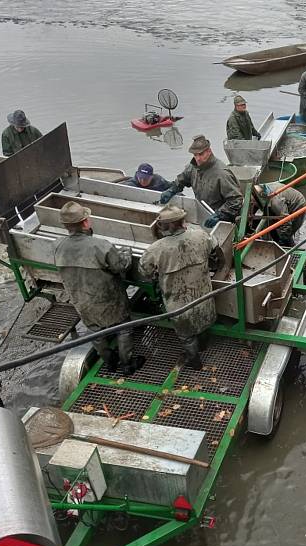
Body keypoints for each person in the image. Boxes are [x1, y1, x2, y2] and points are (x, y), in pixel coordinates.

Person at [54, 201, 144, 375]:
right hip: (108, 299)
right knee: (123, 327)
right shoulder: (100, 245)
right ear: (86, 222)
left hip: (82, 301)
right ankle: (127, 364)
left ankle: (109, 362)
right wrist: (126, 252)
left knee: (95, 330)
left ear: (66, 226)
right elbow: (121, 267)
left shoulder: (58, 246)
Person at [139, 206, 223, 369]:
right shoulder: (200, 235)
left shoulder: (156, 249)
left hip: (178, 303)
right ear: (183, 222)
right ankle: (204, 346)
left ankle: (195, 362)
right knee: (204, 323)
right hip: (203, 295)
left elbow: (144, 272)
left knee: (187, 335)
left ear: (163, 227)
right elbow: (216, 248)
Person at [159, 135, 243, 229]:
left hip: (222, 219)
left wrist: (219, 215)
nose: (198, 158)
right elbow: (182, 180)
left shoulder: (222, 174)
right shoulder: (193, 167)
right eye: (195, 155)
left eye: (201, 154)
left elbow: (236, 200)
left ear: (209, 151)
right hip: (202, 214)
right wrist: (171, 190)